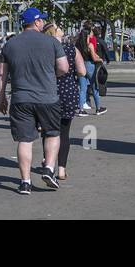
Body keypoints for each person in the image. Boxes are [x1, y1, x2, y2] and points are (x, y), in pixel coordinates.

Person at [0, 8, 69, 194]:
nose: (43, 23)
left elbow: (1, 74)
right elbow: (64, 67)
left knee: (25, 140)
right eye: (41, 21)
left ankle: (25, 182)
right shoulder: (51, 42)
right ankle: (49, 168)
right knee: (53, 133)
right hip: (48, 97)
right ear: (36, 22)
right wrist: (51, 76)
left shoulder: (10, 44)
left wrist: (2, 97)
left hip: (20, 99)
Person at [42, 24, 86, 182]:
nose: (61, 28)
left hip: (48, 93)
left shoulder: (44, 49)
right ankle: (61, 170)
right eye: (59, 27)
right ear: (55, 32)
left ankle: (49, 164)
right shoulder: (71, 49)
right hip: (68, 92)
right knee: (64, 133)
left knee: (49, 132)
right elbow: (82, 71)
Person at [76, 27, 106, 115]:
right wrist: (100, 60)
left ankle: (81, 109)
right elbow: (94, 57)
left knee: (82, 88)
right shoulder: (90, 45)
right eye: (91, 33)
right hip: (90, 65)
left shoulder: (78, 45)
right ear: (88, 35)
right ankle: (98, 108)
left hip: (80, 65)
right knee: (94, 87)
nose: (92, 34)